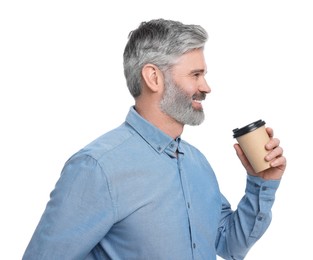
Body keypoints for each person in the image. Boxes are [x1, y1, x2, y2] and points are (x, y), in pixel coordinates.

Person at [23, 18, 286, 260]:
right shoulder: (97, 168)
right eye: (195, 75)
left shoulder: (198, 163)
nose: (206, 87)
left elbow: (228, 244)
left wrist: (260, 184)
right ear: (153, 77)